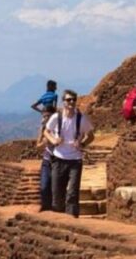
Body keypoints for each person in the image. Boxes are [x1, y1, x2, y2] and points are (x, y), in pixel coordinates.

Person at [43, 89, 94, 217]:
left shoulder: (81, 119)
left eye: (73, 100)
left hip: (75, 160)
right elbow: (46, 131)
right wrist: (54, 140)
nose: (71, 102)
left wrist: (82, 144)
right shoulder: (56, 117)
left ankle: (72, 221)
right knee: (57, 193)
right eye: (68, 100)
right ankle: (59, 221)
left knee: (72, 193)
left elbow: (91, 135)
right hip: (59, 158)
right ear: (63, 102)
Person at [36, 104, 57, 211]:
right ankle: (45, 209)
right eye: (43, 116)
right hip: (47, 161)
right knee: (44, 187)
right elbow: (38, 146)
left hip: (58, 162)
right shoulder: (43, 129)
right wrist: (44, 141)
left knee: (55, 188)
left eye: (47, 116)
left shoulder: (59, 128)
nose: (45, 118)